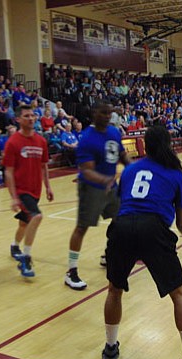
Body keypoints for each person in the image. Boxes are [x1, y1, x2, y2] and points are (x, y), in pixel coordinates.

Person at [101, 126, 182, 359]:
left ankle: (109, 352)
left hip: (122, 227)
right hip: (154, 229)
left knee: (114, 291)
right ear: (169, 144)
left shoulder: (129, 170)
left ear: (144, 147)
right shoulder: (178, 175)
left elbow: (118, 207)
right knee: (179, 295)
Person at [65, 100, 131, 291]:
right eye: (103, 112)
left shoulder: (113, 132)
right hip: (92, 187)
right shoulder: (86, 138)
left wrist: (133, 166)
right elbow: (86, 171)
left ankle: (107, 255)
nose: (108, 116)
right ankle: (71, 271)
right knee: (82, 228)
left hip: (111, 186)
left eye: (109, 113)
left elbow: (122, 155)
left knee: (120, 221)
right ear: (94, 113)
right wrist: (105, 181)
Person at [3, 105, 54, 276]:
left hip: (36, 190)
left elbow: (44, 166)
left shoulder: (41, 141)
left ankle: (14, 245)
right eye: (26, 116)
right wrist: (13, 197)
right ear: (18, 119)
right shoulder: (12, 142)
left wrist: (48, 186)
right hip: (21, 191)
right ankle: (26, 257)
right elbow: (8, 171)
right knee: (37, 216)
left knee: (25, 223)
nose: (31, 118)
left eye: (33, 115)